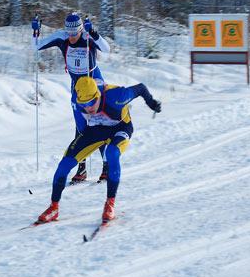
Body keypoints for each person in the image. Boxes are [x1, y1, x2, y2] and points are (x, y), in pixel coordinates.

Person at [37, 77, 162, 223]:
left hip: (120, 128)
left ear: (98, 95)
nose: (88, 108)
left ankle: (110, 203)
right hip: (96, 130)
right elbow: (82, 127)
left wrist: (152, 103)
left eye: (91, 102)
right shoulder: (78, 102)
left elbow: (140, 88)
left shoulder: (117, 96)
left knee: (112, 153)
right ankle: (54, 207)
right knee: (65, 163)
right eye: (84, 104)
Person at [31, 13, 111, 183]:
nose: (72, 37)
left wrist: (94, 32)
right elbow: (36, 46)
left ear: (81, 29)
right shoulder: (62, 37)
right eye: (69, 33)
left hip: (94, 82)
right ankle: (81, 169)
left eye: (75, 33)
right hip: (77, 87)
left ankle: (107, 167)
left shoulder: (87, 36)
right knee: (81, 128)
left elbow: (106, 49)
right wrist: (36, 31)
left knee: (96, 124)